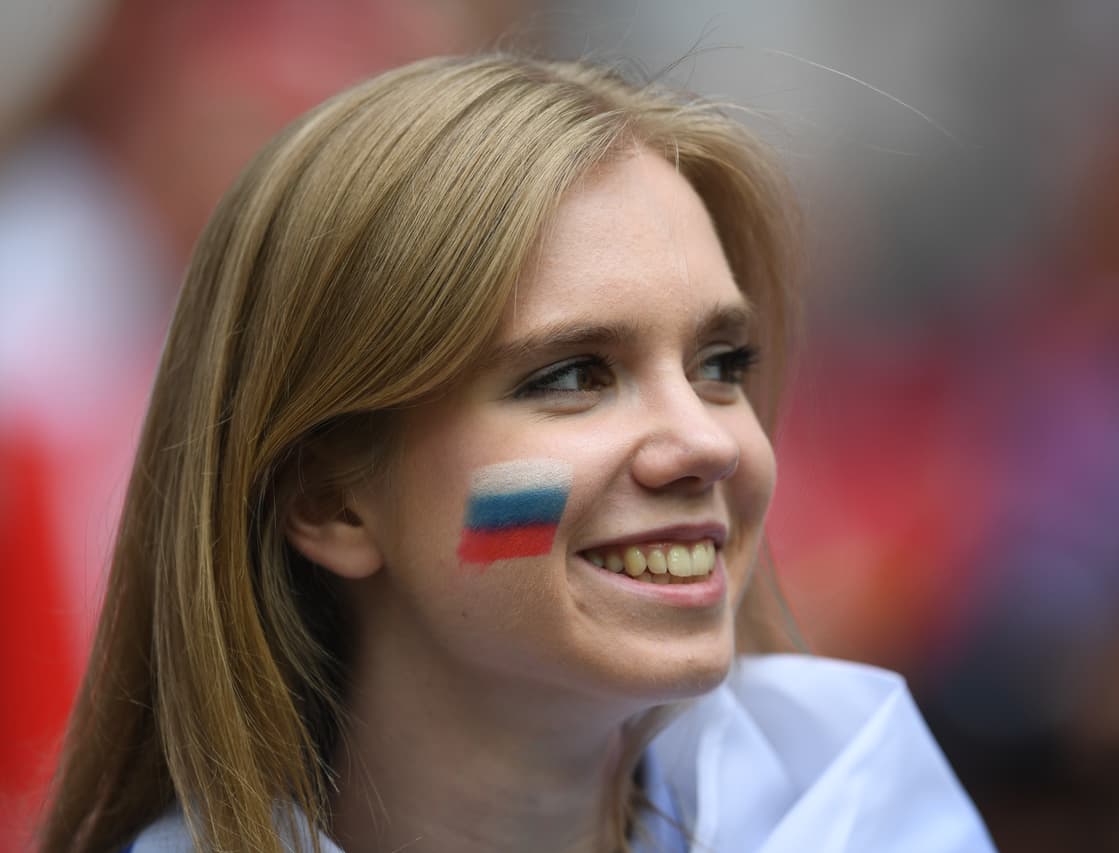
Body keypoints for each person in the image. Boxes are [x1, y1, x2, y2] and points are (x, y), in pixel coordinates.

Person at [39, 54, 994, 852]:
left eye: (720, 363)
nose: (708, 442)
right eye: (574, 373)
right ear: (330, 499)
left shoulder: (866, 814)